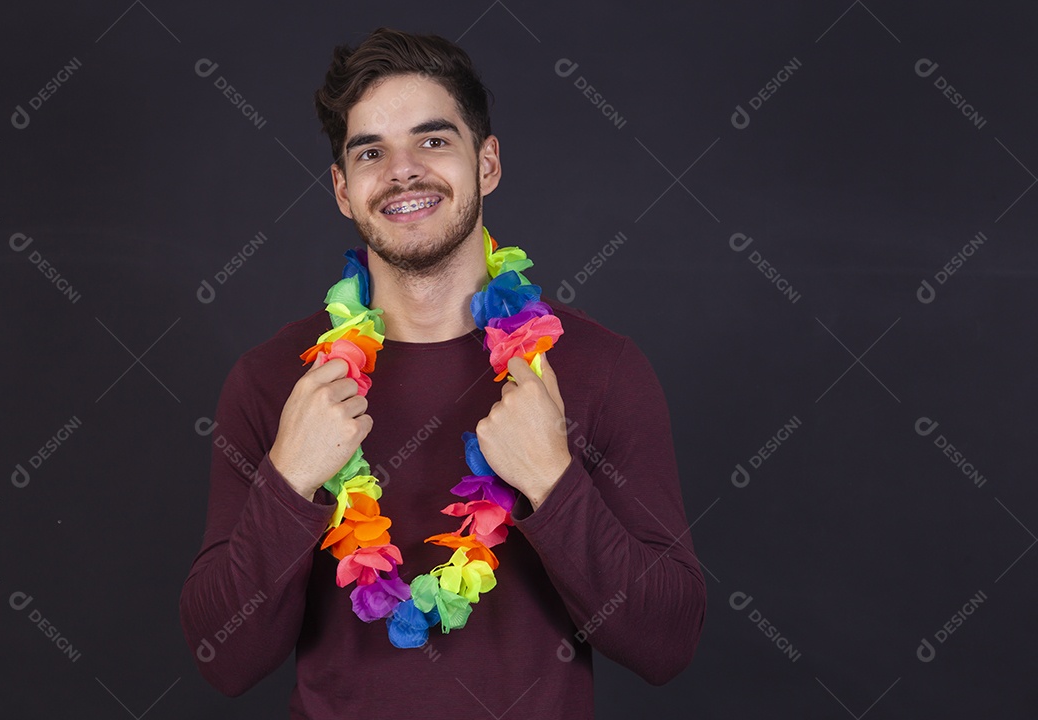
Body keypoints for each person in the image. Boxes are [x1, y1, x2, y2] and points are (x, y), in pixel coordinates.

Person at [179, 26, 706, 719]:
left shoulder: (598, 369)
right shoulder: (277, 381)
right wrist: (289, 480)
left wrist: (553, 480)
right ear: (342, 188)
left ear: (486, 163)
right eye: (371, 151)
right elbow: (226, 661)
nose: (403, 172)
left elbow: (666, 645)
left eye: (433, 141)